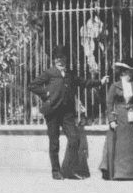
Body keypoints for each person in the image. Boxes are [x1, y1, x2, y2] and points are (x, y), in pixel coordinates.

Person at [29, 45, 109, 180]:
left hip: (67, 113)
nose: (59, 60)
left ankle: (71, 171)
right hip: (52, 112)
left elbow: (84, 82)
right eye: (57, 58)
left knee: (74, 138)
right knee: (54, 142)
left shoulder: (70, 74)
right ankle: (56, 171)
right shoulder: (49, 73)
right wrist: (45, 93)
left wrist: (100, 82)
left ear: (66, 58)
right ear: (54, 60)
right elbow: (33, 85)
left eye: (62, 57)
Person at [99, 57, 133, 181]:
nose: (130, 74)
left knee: (132, 146)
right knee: (120, 146)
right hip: (119, 119)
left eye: (131, 72)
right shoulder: (114, 86)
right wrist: (111, 120)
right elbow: (109, 105)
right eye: (128, 71)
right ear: (122, 72)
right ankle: (118, 173)